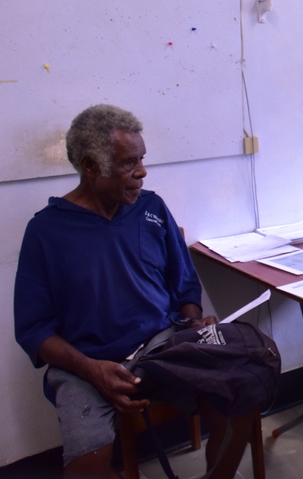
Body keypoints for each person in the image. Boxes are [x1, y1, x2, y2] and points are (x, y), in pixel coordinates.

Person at [14, 104, 255, 479]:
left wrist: (192, 321)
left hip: (163, 345)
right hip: (86, 362)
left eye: (142, 159)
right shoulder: (46, 232)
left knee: (240, 398)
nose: (141, 172)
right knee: (86, 467)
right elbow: (33, 330)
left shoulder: (151, 208)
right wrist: (92, 371)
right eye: (129, 163)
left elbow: (184, 284)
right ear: (91, 167)